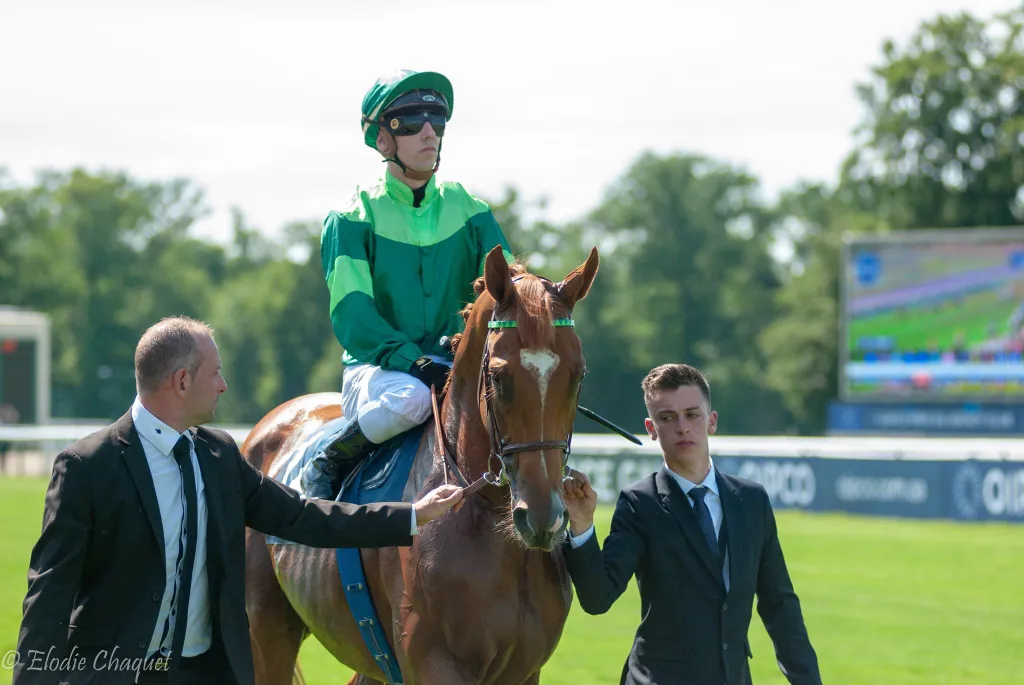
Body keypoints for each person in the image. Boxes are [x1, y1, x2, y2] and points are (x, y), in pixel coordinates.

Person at [13, 316, 463, 685]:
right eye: (216, 373)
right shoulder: (87, 466)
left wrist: (412, 516)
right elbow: (49, 592)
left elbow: (302, 516)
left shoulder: (219, 455)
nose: (224, 385)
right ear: (182, 381)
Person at [300, 68, 514, 499]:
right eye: (412, 123)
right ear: (383, 140)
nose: (429, 133)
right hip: (380, 372)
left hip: (458, 367)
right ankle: (330, 456)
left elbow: (509, 290)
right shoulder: (351, 217)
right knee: (414, 399)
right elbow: (354, 317)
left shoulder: (472, 211)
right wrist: (415, 362)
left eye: (437, 122)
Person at [561, 363, 821, 685]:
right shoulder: (639, 503)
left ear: (711, 421)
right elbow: (598, 599)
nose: (682, 427)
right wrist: (582, 525)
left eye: (692, 414)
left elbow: (779, 604)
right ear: (651, 428)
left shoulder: (752, 501)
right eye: (667, 417)